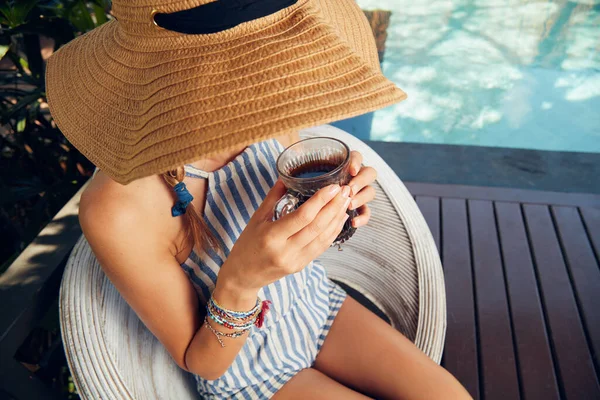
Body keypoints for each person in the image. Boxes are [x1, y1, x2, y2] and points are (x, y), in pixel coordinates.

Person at [46, 0, 471, 398]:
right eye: (252, 46)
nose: (264, 67)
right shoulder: (118, 209)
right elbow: (205, 364)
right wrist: (240, 280)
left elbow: (296, 202)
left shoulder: (260, 99)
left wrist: (343, 199)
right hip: (249, 373)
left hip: (317, 307)